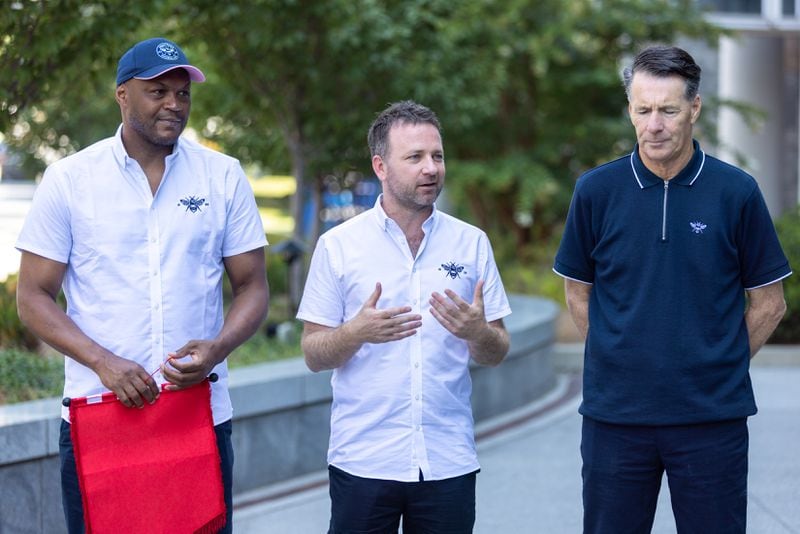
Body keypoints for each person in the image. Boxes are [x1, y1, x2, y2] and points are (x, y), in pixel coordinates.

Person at [15, 37, 269, 533]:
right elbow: (32, 296)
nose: (174, 104)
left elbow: (253, 286)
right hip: (100, 417)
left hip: (197, 416)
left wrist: (217, 348)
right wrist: (103, 362)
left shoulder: (223, 177)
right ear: (122, 95)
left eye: (183, 93)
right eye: (158, 91)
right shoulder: (70, 179)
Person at [553, 45, 791, 533]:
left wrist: (717, 364)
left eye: (668, 110)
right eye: (643, 110)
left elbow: (770, 303)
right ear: (630, 110)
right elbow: (578, 291)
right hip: (615, 419)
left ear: (695, 109)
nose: (654, 124)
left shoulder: (736, 192)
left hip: (711, 420)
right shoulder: (596, 191)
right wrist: (617, 356)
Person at [297, 100, 511, 533]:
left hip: (447, 461)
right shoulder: (339, 247)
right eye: (414, 157)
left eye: (437, 156)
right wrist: (356, 332)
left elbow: (497, 350)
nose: (430, 168)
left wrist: (476, 332)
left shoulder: (471, 244)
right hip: (364, 461)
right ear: (381, 166)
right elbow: (313, 354)